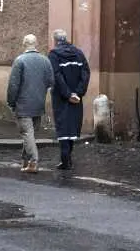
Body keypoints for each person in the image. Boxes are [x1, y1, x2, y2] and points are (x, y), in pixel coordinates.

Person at [6, 34, 54, 174]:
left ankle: (33, 162)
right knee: (30, 134)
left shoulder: (20, 61)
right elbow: (51, 81)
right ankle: (26, 161)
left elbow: (13, 85)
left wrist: (11, 102)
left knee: (27, 133)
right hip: (38, 103)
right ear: (36, 44)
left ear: (23, 44)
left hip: (23, 104)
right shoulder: (45, 60)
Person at [48, 29, 90, 170]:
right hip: (76, 98)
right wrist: (78, 93)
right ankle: (67, 158)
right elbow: (85, 73)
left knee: (63, 127)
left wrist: (67, 94)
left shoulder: (54, 55)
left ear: (55, 40)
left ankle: (65, 159)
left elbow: (56, 75)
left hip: (61, 97)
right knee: (72, 126)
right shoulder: (78, 53)